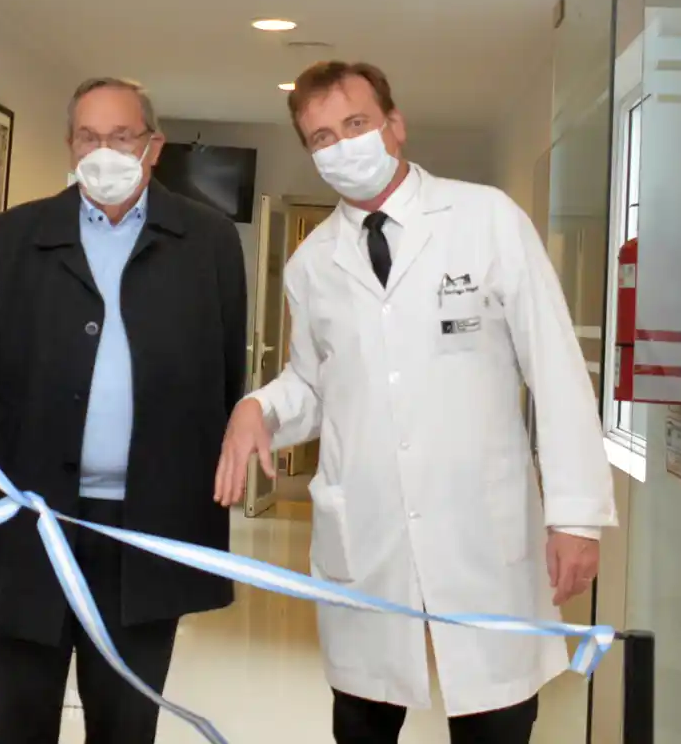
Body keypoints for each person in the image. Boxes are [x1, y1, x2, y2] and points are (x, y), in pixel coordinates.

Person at [215, 61, 617, 744]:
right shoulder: (313, 263)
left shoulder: (484, 218)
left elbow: (555, 369)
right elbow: (314, 385)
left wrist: (576, 515)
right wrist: (261, 407)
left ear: (394, 126)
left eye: (355, 124)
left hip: (479, 528)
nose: (340, 147)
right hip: (367, 533)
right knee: (364, 714)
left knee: (495, 714)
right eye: (319, 138)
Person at [0, 78, 247, 744]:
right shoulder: (11, 238)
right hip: (35, 522)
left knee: (125, 722)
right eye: (88, 136)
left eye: (120, 136)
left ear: (153, 146)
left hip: (143, 531)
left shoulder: (208, 242)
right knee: (17, 719)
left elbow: (225, 375)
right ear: (70, 144)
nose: (102, 150)